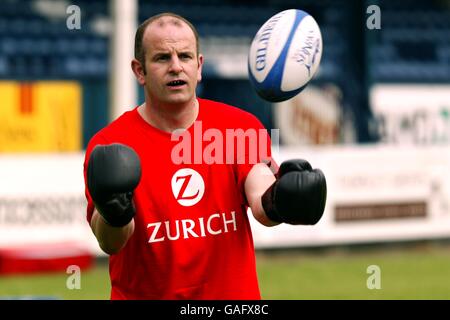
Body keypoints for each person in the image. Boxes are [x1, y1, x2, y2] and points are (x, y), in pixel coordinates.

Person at [83, 12, 327, 300]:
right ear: (139, 71)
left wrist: (281, 201)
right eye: (162, 58)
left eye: (185, 56)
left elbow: (261, 200)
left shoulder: (239, 128)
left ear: (198, 66)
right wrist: (114, 213)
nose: (176, 67)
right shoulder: (111, 143)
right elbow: (110, 243)